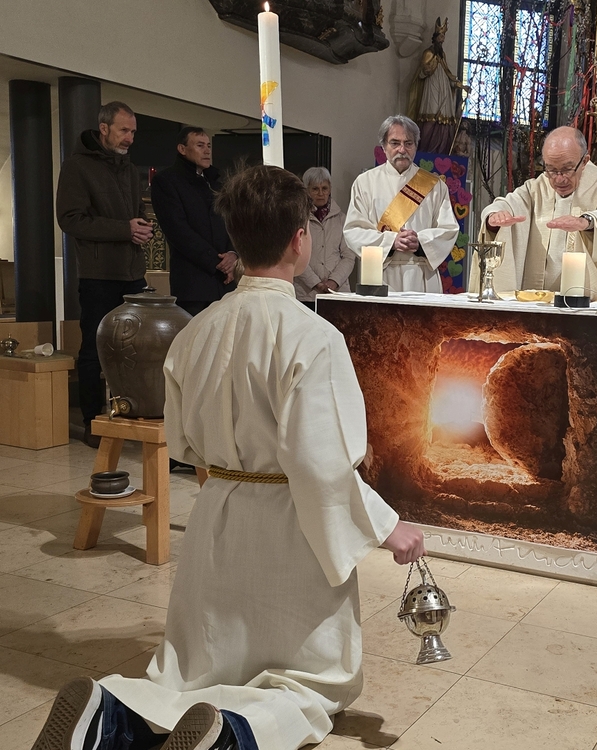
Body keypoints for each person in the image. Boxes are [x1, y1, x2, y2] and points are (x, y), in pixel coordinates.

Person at [32, 165, 427, 750]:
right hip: (289, 529)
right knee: (309, 683)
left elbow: (183, 440)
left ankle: (112, 713)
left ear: (235, 240)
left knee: (198, 669)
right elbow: (320, 464)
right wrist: (388, 528)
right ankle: (233, 735)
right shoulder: (314, 337)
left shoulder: (197, 331)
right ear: (300, 239)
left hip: (217, 512)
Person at [56, 101, 153, 448]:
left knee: (136, 350)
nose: (130, 138)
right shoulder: (77, 166)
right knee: (93, 350)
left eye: (133, 132)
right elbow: (70, 219)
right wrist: (125, 229)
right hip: (99, 275)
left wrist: (142, 226)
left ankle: (132, 414)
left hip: (132, 273)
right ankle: (91, 421)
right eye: (124, 130)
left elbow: (135, 211)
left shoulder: (128, 168)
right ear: (104, 128)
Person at [477, 126, 597, 303]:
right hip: (535, 302)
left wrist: (588, 221)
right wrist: (495, 217)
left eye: (567, 169)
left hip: (585, 303)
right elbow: (508, 203)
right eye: (551, 169)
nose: (559, 179)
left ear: (584, 161)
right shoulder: (536, 188)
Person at [343, 114, 459, 293]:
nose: (402, 149)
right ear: (384, 146)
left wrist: (420, 242)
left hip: (421, 275)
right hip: (380, 274)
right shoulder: (365, 182)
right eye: (395, 143)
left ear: (416, 146)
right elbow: (354, 230)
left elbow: (448, 229)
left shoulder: (435, 186)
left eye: (408, 143)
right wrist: (391, 241)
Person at [151, 126, 238, 317]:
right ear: (182, 149)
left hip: (225, 281)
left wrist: (232, 254)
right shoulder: (166, 181)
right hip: (193, 283)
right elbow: (177, 230)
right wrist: (216, 262)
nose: (207, 151)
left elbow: (233, 221)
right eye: (200, 145)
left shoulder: (217, 182)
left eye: (208, 146)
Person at [294, 167, 355, 304]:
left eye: (324, 188)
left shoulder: (342, 219)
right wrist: (315, 283)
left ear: (330, 189)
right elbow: (295, 255)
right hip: (306, 293)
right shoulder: (298, 220)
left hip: (338, 292)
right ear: (307, 191)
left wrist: (334, 281)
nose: (320, 193)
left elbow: (349, 256)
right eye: (315, 189)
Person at [406, 17, 467, 154]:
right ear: (435, 37)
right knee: (430, 118)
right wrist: (428, 68)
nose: (442, 39)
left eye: (443, 36)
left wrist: (460, 85)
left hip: (444, 90)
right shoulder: (428, 53)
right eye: (440, 36)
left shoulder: (442, 55)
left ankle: (440, 153)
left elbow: (447, 73)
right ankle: (424, 151)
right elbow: (422, 73)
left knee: (444, 121)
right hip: (432, 88)